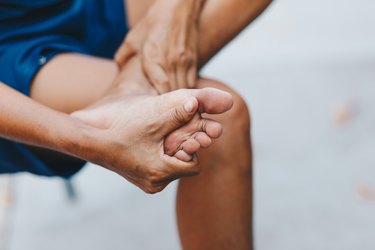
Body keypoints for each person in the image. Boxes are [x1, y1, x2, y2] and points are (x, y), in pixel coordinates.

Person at [0, 0, 272, 249]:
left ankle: (133, 84)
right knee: (212, 122)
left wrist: (176, 8)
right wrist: (83, 137)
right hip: (9, 51)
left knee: (194, 113)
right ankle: (133, 88)